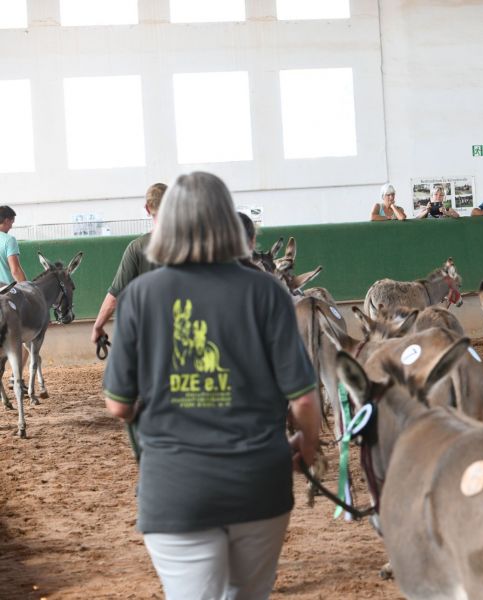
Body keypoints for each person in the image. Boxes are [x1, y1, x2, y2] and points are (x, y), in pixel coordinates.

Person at [103, 172, 320, 600]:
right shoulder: (267, 292)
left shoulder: (140, 296)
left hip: (174, 490)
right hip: (258, 485)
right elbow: (304, 400)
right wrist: (307, 445)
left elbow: (118, 406)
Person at [90, 183, 167, 345]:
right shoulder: (192, 245)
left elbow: (114, 298)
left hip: (149, 337)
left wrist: (98, 326)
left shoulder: (137, 248)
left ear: (147, 209)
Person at [0, 206, 26, 285]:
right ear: (6, 221)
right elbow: (15, 271)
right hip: (6, 289)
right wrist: (27, 288)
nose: (11, 227)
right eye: (12, 223)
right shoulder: (9, 240)